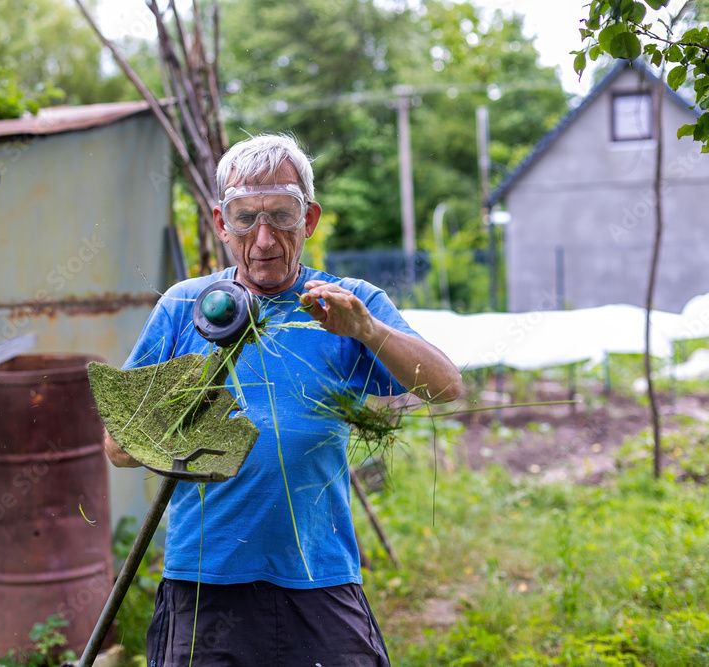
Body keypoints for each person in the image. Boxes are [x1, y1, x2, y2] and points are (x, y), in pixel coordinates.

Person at [104, 134, 461, 666]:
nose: (264, 238)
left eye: (282, 215)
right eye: (245, 218)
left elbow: (446, 387)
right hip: (205, 581)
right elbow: (118, 447)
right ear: (222, 223)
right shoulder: (186, 306)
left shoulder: (346, 305)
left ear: (309, 219)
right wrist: (186, 410)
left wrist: (367, 331)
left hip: (318, 573)